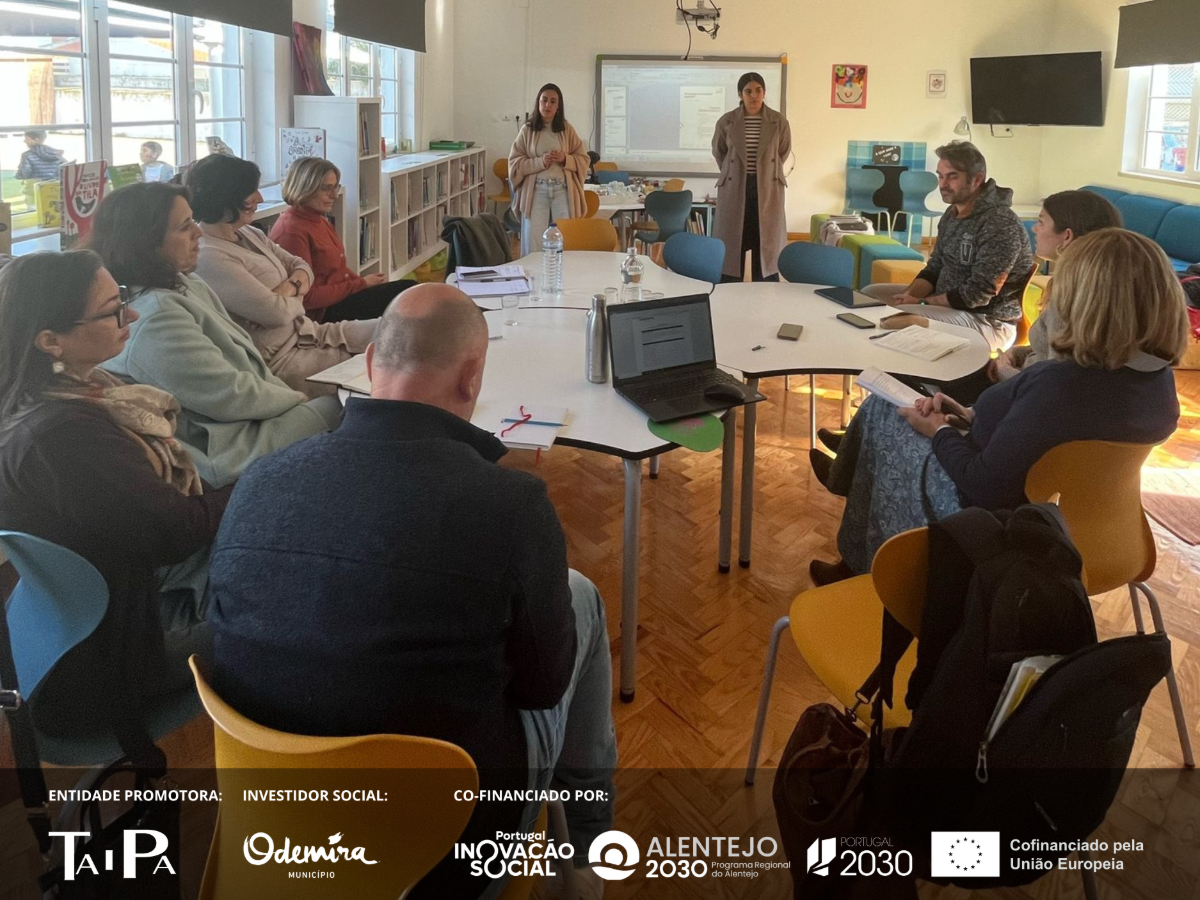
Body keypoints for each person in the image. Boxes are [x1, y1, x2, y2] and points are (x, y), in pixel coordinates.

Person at [207, 284, 616, 900]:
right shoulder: (510, 505)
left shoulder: (261, 480)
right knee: (581, 596)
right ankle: (582, 857)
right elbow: (542, 688)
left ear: (371, 363)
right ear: (471, 378)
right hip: (444, 853)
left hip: (277, 827)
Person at [810, 228, 1186, 584]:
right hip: (1105, 533)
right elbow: (1047, 437)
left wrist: (940, 430)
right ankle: (849, 489)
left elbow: (983, 485)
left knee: (885, 411)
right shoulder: (1158, 383)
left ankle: (860, 561)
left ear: (1081, 302)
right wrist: (967, 416)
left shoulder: (1059, 384)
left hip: (996, 520)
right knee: (905, 411)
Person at [0, 250, 231, 747]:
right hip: (114, 664)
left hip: (100, 626)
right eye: (112, 310)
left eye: (121, 298)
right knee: (295, 611)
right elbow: (177, 532)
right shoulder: (64, 436)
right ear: (50, 340)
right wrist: (256, 485)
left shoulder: (70, 397)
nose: (131, 314)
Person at [89, 182, 340, 488]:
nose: (198, 233)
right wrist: (298, 399)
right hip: (227, 447)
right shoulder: (155, 318)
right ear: (146, 242)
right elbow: (228, 395)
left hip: (250, 413)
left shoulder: (184, 282)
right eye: (184, 227)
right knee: (346, 411)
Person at [189, 154, 375, 397]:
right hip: (285, 358)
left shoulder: (249, 233)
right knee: (387, 363)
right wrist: (297, 289)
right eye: (250, 192)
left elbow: (302, 266)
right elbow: (277, 313)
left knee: (399, 327)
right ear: (226, 198)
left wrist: (287, 289)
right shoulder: (210, 257)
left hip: (310, 332)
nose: (260, 198)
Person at [860, 141, 1034, 351]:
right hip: (946, 307)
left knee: (904, 319)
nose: (943, 184)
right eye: (940, 176)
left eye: (952, 177)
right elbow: (935, 266)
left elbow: (977, 294)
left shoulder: (1000, 223)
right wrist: (909, 295)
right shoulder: (952, 214)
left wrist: (921, 303)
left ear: (977, 179)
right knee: (870, 295)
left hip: (987, 320)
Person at [989, 189, 1122, 381]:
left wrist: (1003, 371)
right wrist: (1018, 353)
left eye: (1041, 222)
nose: (1035, 229)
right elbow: (1053, 352)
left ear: (1067, 236)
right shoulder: (1096, 285)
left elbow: (1054, 382)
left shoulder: (1071, 298)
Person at [269, 157, 416, 323]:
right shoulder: (291, 232)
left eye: (335, 187)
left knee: (412, 294)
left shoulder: (319, 219)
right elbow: (306, 298)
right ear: (304, 187)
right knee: (409, 295)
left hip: (340, 298)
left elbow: (339, 270)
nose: (334, 195)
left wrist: (362, 283)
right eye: (326, 188)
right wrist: (361, 284)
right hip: (321, 313)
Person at [711, 72, 792, 282]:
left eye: (758, 90)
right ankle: (729, 288)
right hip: (735, 187)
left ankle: (764, 289)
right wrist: (735, 172)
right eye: (748, 91)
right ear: (740, 94)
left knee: (765, 244)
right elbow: (720, 152)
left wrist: (765, 171)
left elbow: (782, 153)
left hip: (767, 188)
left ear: (764, 92)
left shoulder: (779, 121)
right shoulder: (726, 121)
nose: (754, 95)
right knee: (732, 244)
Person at [508, 83, 590, 256]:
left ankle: (563, 273)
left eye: (553, 101)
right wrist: (540, 162)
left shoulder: (567, 129)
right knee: (534, 243)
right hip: (536, 191)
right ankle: (532, 273)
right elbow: (515, 163)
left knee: (564, 241)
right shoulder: (527, 130)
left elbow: (583, 159)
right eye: (544, 100)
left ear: (558, 106)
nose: (547, 105)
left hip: (562, 191)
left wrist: (565, 159)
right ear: (538, 102)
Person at [15, 129, 66, 207]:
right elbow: (65, 169)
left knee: (33, 210)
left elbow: (24, 173)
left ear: (36, 140)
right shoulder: (56, 154)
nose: (24, 141)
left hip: (34, 191)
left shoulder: (27, 155)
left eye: (27, 139)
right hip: (54, 190)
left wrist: (17, 175)